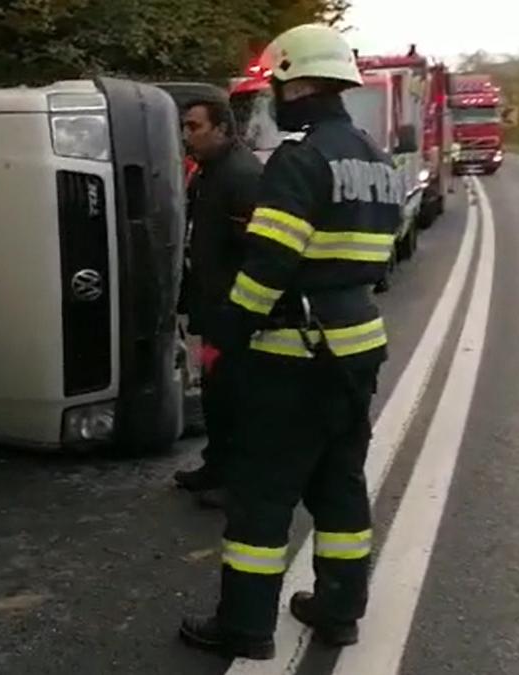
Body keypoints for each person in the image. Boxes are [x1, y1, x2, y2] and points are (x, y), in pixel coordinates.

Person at [178, 24, 402, 658]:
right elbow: (375, 262)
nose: (273, 97)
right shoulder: (375, 162)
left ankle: (245, 627)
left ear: (299, 83)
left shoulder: (299, 162)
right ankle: (339, 611)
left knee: (260, 495)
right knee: (340, 485)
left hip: (293, 357)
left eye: (275, 84)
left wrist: (227, 335)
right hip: (356, 347)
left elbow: (267, 267)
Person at [173, 97, 262, 508]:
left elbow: (258, 252)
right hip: (213, 308)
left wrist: (238, 310)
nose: (187, 135)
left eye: (194, 127)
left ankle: (239, 479)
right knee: (214, 392)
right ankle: (216, 466)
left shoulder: (243, 176)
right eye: (186, 127)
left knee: (235, 397)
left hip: (234, 312)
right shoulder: (209, 173)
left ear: (222, 129)